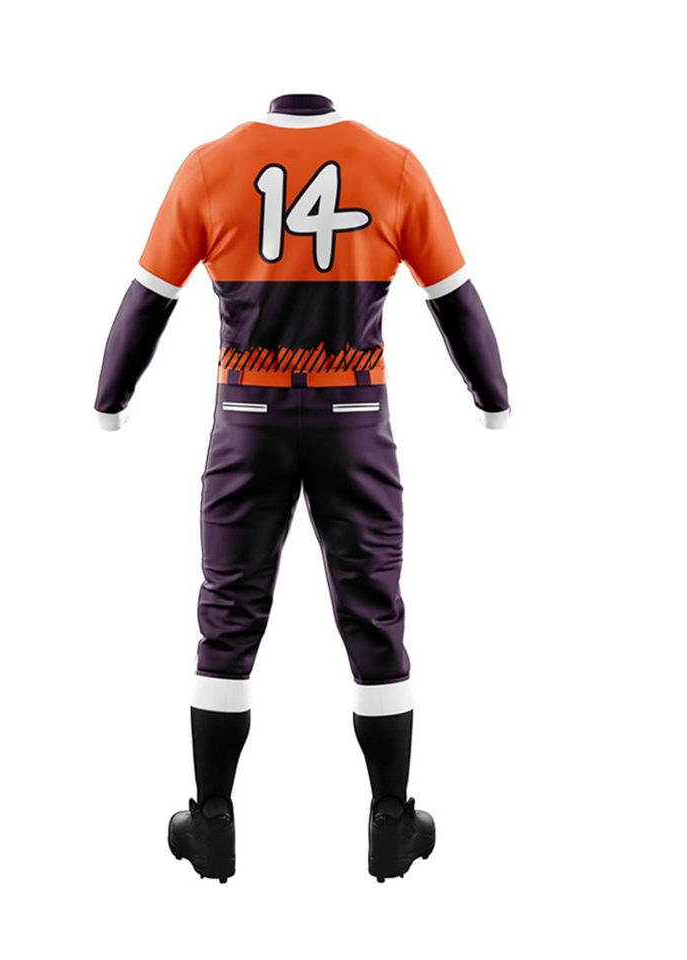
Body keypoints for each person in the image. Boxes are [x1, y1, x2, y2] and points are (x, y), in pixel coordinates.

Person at [94, 94, 510, 883]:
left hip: (246, 420)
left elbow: (148, 296)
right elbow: (454, 296)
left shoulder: (210, 165)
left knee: (228, 612)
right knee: (373, 610)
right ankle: (392, 824)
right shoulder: (394, 166)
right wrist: (493, 398)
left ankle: (211, 823)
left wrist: (109, 399)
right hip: (354, 420)